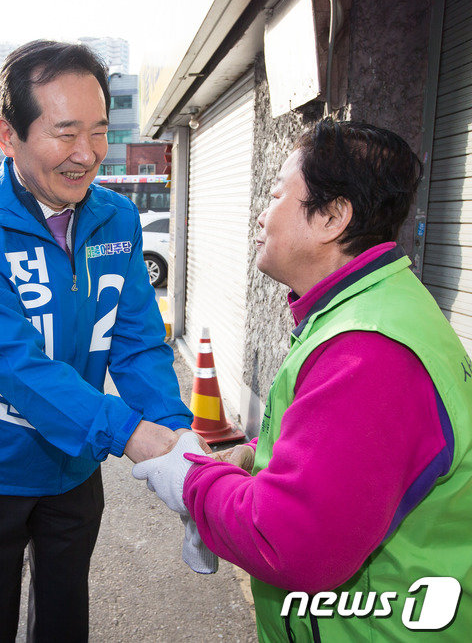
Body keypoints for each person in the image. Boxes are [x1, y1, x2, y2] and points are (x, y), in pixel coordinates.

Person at [133, 120, 472, 641]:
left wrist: (192, 482)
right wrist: (256, 461)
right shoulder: (365, 313)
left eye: (275, 196)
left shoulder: (368, 351)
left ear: (333, 217)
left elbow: (292, 541)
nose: (260, 216)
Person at [0, 40, 201, 643]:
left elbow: (136, 342)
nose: (87, 155)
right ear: (8, 134)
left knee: (64, 617)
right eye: (65, 133)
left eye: (99, 132)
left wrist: (177, 437)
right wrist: (128, 432)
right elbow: (15, 365)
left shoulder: (117, 220)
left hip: (74, 463)